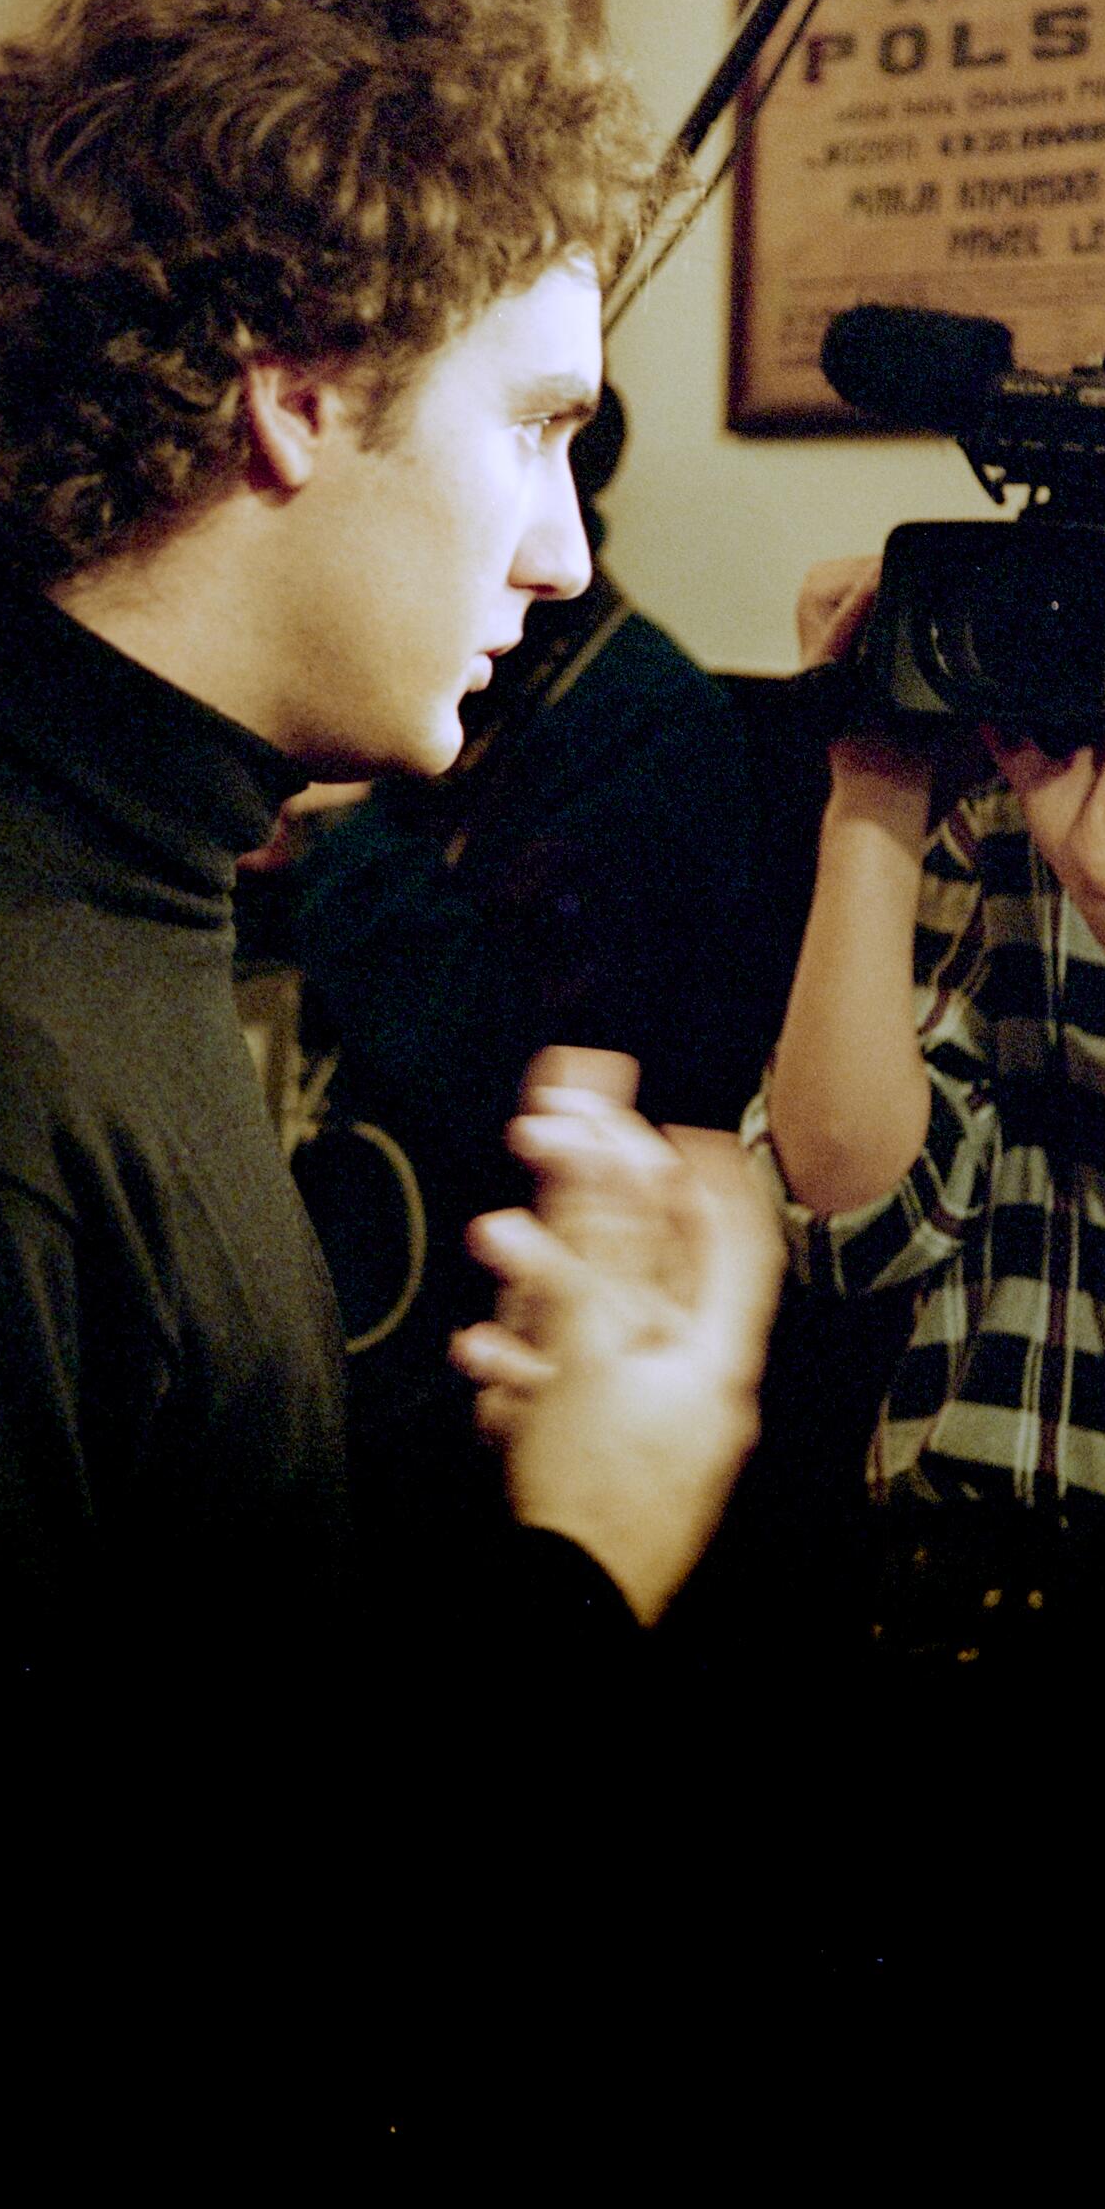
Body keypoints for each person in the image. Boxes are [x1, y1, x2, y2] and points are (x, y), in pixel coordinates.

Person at [0, 0, 742, 1729]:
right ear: (293, 397)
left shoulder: (80, 872)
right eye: (531, 428)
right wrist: (586, 1554)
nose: (561, 551)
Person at [744, 551, 1105, 1969]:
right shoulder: (1022, 818)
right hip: (987, 1649)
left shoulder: (1100, 855)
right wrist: (873, 785)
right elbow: (850, 1209)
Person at [264, 382, 777, 1560]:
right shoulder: (422, 666)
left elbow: (512, 1075)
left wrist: (340, 831)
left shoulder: (647, 723)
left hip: (490, 1358)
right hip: (339, 1304)